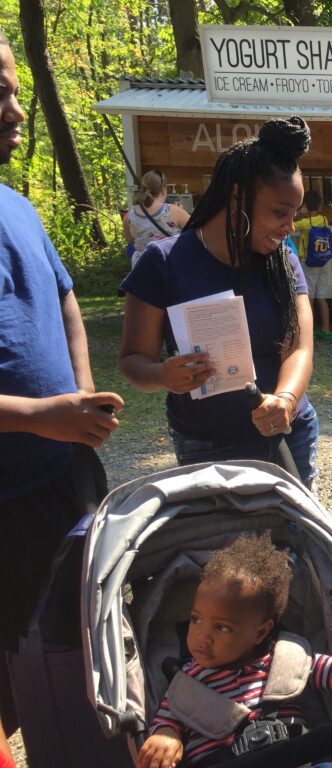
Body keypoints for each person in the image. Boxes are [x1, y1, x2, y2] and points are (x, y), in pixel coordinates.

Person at [0, 29, 123, 750]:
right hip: (5, 500)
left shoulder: (18, 205)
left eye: (17, 89)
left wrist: (79, 394)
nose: (18, 109)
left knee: (70, 642)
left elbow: (68, 300)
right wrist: (42, 415)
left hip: (65, 475)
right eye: (0, 92)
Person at [119, 117, 319, 488]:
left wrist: (287, 399)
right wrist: (164, 374)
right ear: (238, 197)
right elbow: (133, 361)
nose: (290, 227)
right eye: (280, 213)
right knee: (220, 548)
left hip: (287, 436)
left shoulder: (283, 260)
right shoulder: (163, 263)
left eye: (294, 214)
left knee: (293, 544)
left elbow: (300, 345)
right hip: (205, 446)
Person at [136, 532, 332, 768]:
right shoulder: (187, 683)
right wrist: (166, 735)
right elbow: (167, 718)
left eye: (222, 628)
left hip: (296, 756)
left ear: (261, 632)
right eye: (195, 620)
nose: (202, 637)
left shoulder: (285, 661)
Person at [123, 169, 191, 267]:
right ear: (163, 190)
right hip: (169, 268)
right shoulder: (174, 211)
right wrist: (181, 211)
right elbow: (195, 234)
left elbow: (130, 245)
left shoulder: (129, 216)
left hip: (141, 269)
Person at [293, 189, 332, 340]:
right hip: (323, 260)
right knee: (321, 296)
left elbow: (290, 226)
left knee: (308, 297)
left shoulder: (304, 223)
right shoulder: (323, 220)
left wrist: (298, 212)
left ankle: (308, 331)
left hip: (309, 262)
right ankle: (326, 329)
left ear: (305, 206)